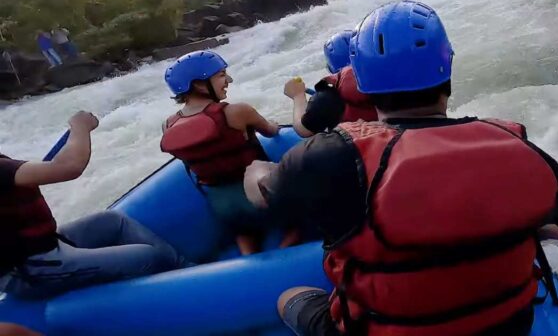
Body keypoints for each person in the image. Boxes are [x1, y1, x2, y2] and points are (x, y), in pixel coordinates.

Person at [244, 0, 558, 336]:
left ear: (362, 80)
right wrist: (543, 228)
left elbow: (262, 197)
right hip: (506, 327)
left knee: (289, 297)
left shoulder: (328, 154)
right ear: (447, 68)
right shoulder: (514, 143)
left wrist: (255, 168)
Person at [1, 111, 190, 299]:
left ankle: (186, 269)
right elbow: (69, 167)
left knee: (111, 221)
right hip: (31, 268)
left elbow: (46, 168)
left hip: (43, 246)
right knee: (147, 257)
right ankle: (187, 296)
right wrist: (80, 126)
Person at [161, 50, 298, 256]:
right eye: (222, 75)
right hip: (261, 195)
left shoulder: (168, 125)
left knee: (243, 230)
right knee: (299, 219)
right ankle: (284, 255)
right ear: (199, 84)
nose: (229, 80)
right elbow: (270, 131)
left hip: (221, 206)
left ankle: (247, 258)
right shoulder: (235, 112)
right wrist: (275, 124)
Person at [283, 30, 377, 138]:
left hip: (355, 146)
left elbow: (304, 130)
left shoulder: (327, 97)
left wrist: (298, 96)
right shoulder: (383, 79)